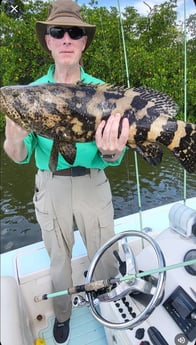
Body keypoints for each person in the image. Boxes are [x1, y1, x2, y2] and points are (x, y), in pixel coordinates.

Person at [4, 0, 129, 344]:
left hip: (93, 181)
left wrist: (112, 150)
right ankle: (62, 315)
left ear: (83, 41)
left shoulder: (106, 92)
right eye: (58, 32)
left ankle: (107, 304)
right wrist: (12, 140)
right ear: (48, 40)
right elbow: (20, 154)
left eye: (74, 32)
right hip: (50, 183)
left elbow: (113, 157)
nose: (66, 38)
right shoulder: (29, 95)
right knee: (58, 260)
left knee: (103, 253)